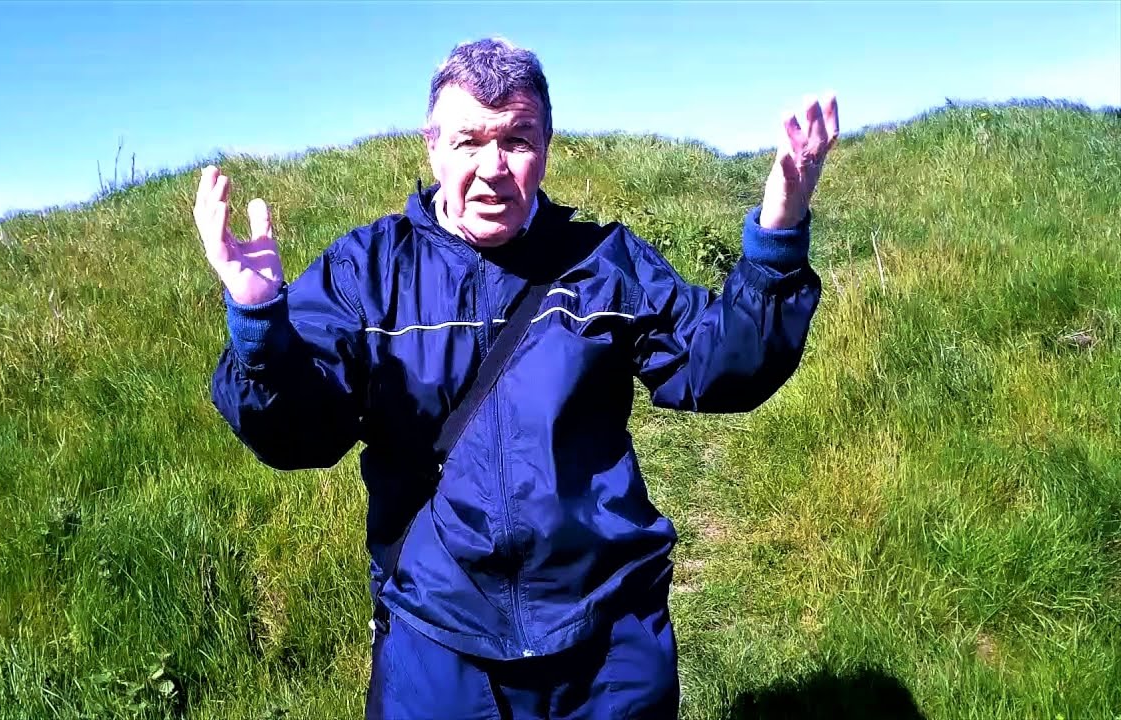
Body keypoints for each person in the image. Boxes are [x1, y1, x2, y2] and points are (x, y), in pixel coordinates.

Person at [195, 37, 837, 720]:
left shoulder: (605, 263)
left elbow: (721, 368)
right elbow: (300, 438)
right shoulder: (368, 272)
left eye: (517, 140)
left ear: (547, 145)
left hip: (604, 638)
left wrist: (778, 231)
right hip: (439, 640)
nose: (494, 169)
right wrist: (261, 321)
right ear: (433, 145)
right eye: (470, 142)